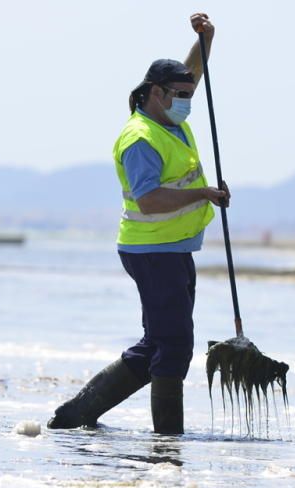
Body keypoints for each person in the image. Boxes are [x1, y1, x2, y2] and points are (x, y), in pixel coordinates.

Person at [48, 13, 229, 434]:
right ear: (155, 93)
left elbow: (192, 73)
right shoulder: (140, 139)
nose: (188, 99)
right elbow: (148, 200)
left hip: (174, 248)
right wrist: (203, 194)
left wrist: (207, 39)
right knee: (175, 345)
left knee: (159, 345)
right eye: (180, 94)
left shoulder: (170, 118)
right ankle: (167, 442)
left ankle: (75, 416)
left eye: (190, 93)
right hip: (151, 250)